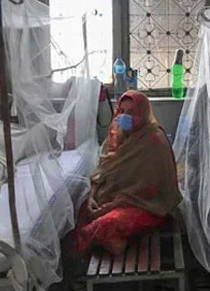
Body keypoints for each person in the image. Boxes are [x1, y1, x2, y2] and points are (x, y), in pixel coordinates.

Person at [73, 90, 181, 255]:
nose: (124, 117)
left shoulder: (154, 140)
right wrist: (92, 197)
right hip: (113, 197)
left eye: (132, 113)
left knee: (107, 223)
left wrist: (116, 203)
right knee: (82, 210)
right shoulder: (116, 136)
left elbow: (154, 190)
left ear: (143, 113)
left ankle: (114, 241)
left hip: (145, 205)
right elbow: (102, 170)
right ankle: (114, 240)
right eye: (122, 111)